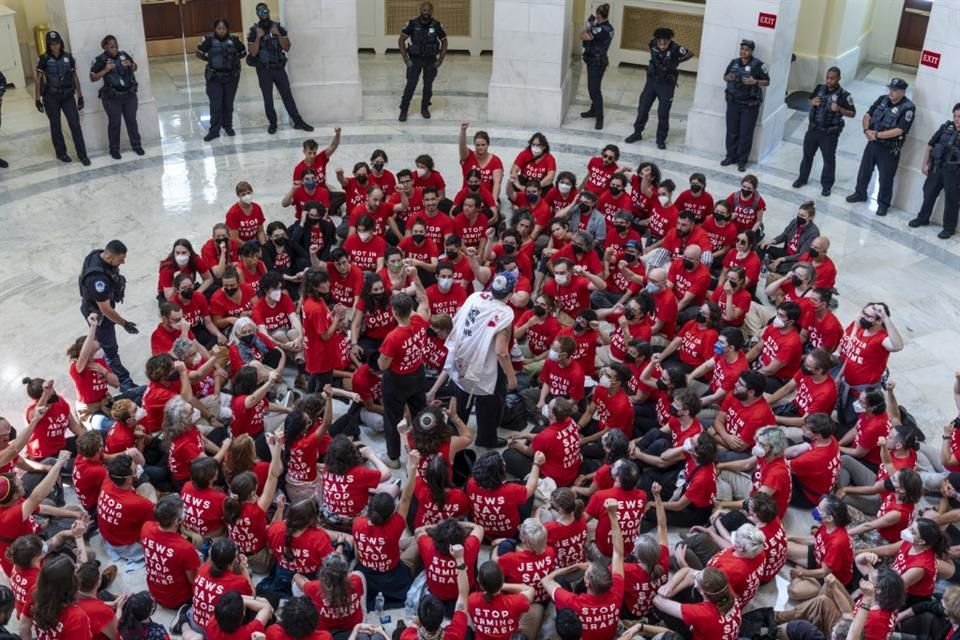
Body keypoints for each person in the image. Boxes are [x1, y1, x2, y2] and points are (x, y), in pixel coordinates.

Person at [445, 273, 518, 449]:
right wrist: (511, 376)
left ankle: (453, 433)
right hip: (486, 363)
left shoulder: (475, 296)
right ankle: (486, 438)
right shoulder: (505, 313)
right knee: (490, 402)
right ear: (511, 292)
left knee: (461, 395)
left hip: (462, 355)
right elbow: (501, 351)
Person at [542, 498, 624, 640]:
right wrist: (612, 515)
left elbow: (546, 580)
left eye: (586, 574)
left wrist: (573, 567)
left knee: (560, 580)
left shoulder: (572, 602)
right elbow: (618, 553)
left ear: (588, 583)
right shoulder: (617, 591)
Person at [845, 78, 916, 216]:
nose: (891, 92)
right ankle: (860, 193)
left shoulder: (908, 108)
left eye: (895, 90)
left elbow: (900, 130)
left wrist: (877, 135)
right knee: (864, 171)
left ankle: (883, 204)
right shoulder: (882, 99)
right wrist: (866, 130)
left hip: (889, 149)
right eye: (890, 89)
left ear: (902, 92)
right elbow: (867, 115)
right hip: (873, 143)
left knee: (885, 178)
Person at [79, 240, 137, 391]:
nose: (123, 262)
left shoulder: (96, 254)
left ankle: (95, 350)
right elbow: (105, 309)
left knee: (101, 342)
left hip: (94, 308)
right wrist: (124, 323)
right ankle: (125, 383)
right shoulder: (98, 279)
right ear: (110, 257)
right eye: (120, 259)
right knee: (110, 349)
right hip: (99, 315)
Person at [247, 3, 312, 134]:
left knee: (287, 95)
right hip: (264, 70)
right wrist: (258, 37)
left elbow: (287, 47)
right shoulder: (253, 31)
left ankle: (298, 121)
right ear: (257, 14)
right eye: (260, 12)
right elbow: (253, 53)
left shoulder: (279, 27)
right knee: (268, 98)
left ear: (269, 11)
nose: (263, 13)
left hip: (278, 68)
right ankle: (273, 124)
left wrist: (278, 34)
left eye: (265, 10)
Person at [793, 66, 856, 196]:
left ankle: (826, 186)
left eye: (832, 78)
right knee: (807, 155)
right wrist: (812, 102)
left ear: (838, 79)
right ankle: (802, 178)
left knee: (828, 160)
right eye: (827, 77)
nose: (829, 80)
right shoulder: (819, 88)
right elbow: (810, 99)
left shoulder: (844, 95)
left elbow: (852, 113)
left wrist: (839, 109)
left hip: (829, 133)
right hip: (813, 129)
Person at [625, 27, 692, 148]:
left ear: (669, 40)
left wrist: (676, 61)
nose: (661, 45)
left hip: (666, 85)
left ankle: (660, 139)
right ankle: (637, 132)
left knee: (663, 113)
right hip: (652, 82)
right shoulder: (652, 43)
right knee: (643, 108)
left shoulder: (676, 48)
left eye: (665, 42)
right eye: (659, 42)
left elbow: (690, 54)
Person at [34, 30, 88, 165]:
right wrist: (37, 99)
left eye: (57, 43)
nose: (55, 46)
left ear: (60, 43)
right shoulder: (44, 58)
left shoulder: (68, 57)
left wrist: (80, 96)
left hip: (68, 95)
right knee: (55, 125)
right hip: (51, 97)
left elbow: (75, 77)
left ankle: (82, 154)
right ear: (48, 45)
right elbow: (38, 79)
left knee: (75, 125)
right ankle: (61, 153)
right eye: (51, 44)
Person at [908, 101, 960, 239]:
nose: (956, 119)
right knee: (929, 193)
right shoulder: (945, 127)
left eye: (959, 117)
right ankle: (923, 218)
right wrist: (925, 163)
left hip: (955, 174)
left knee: (952, 201)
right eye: (955, 116)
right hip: (937, 168)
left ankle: (948, 228)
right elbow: (930, 145)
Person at [90, 35, 142, 160]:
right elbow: (92, 77)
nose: (115, 48)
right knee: (115, 123)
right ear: (105, 47)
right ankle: (114, 149)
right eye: (112, 46)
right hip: (112, 98)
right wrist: (105, 70)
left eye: (116, 45)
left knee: (131, 121)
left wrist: (131, 64)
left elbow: (136, 68)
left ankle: (136, 145)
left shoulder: (124, 55)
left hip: (129, 95)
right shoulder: (100, 60)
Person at [721, 39, 770, 172]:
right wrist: (728, 78)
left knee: (745, 134)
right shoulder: (734, 62)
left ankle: (742, 161)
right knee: (731, 132)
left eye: (747, 50)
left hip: (749, 105)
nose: (743, 52)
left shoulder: (758, 65)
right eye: (742, 49)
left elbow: (767, 82)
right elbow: (724, 77)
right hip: (733, 103)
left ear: (751, 51)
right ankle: (730, 156)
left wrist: (755, 82)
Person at [197, 18, 245, 141]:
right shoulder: (208, 40)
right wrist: (210, 60)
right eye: (219, 28)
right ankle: (214, 131)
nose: (221, 31)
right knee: (216, 104)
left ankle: (228, 126)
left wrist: (232, 60)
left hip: (231, 77)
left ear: (227, 29)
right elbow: (199, 53)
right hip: (214, 77)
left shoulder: (234, 40)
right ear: (215, 29)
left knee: (228, 103)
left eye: (224, 28)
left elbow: (243, 53)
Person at [399, 2, 447, 121]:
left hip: (430, 60)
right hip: (415, 60)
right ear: (420, 10)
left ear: (432, 11)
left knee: (428, 86)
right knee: (410, 85)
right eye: (424, 10)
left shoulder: (436, 25)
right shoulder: (411, 24)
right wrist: (406, 59)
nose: (426, 13)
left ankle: (424, 108)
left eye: (429, 10)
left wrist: (440, 59)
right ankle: (404, 110)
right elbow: (401, 40)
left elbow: (444, 42)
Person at [30, 555, 93, 640]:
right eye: (74, 572)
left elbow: (24, 625)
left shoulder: (35, 593)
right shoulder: (76, 617)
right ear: (71, 583)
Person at [579, 3, 614, 130]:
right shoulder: (609, 28)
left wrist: (588, 27)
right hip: (597, 61)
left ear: (599, 15)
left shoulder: (600, 29)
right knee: (594, 88)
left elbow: (581, 36)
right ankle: (593, 111)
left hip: (596, 63)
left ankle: (600, 118)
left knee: (594, 90)